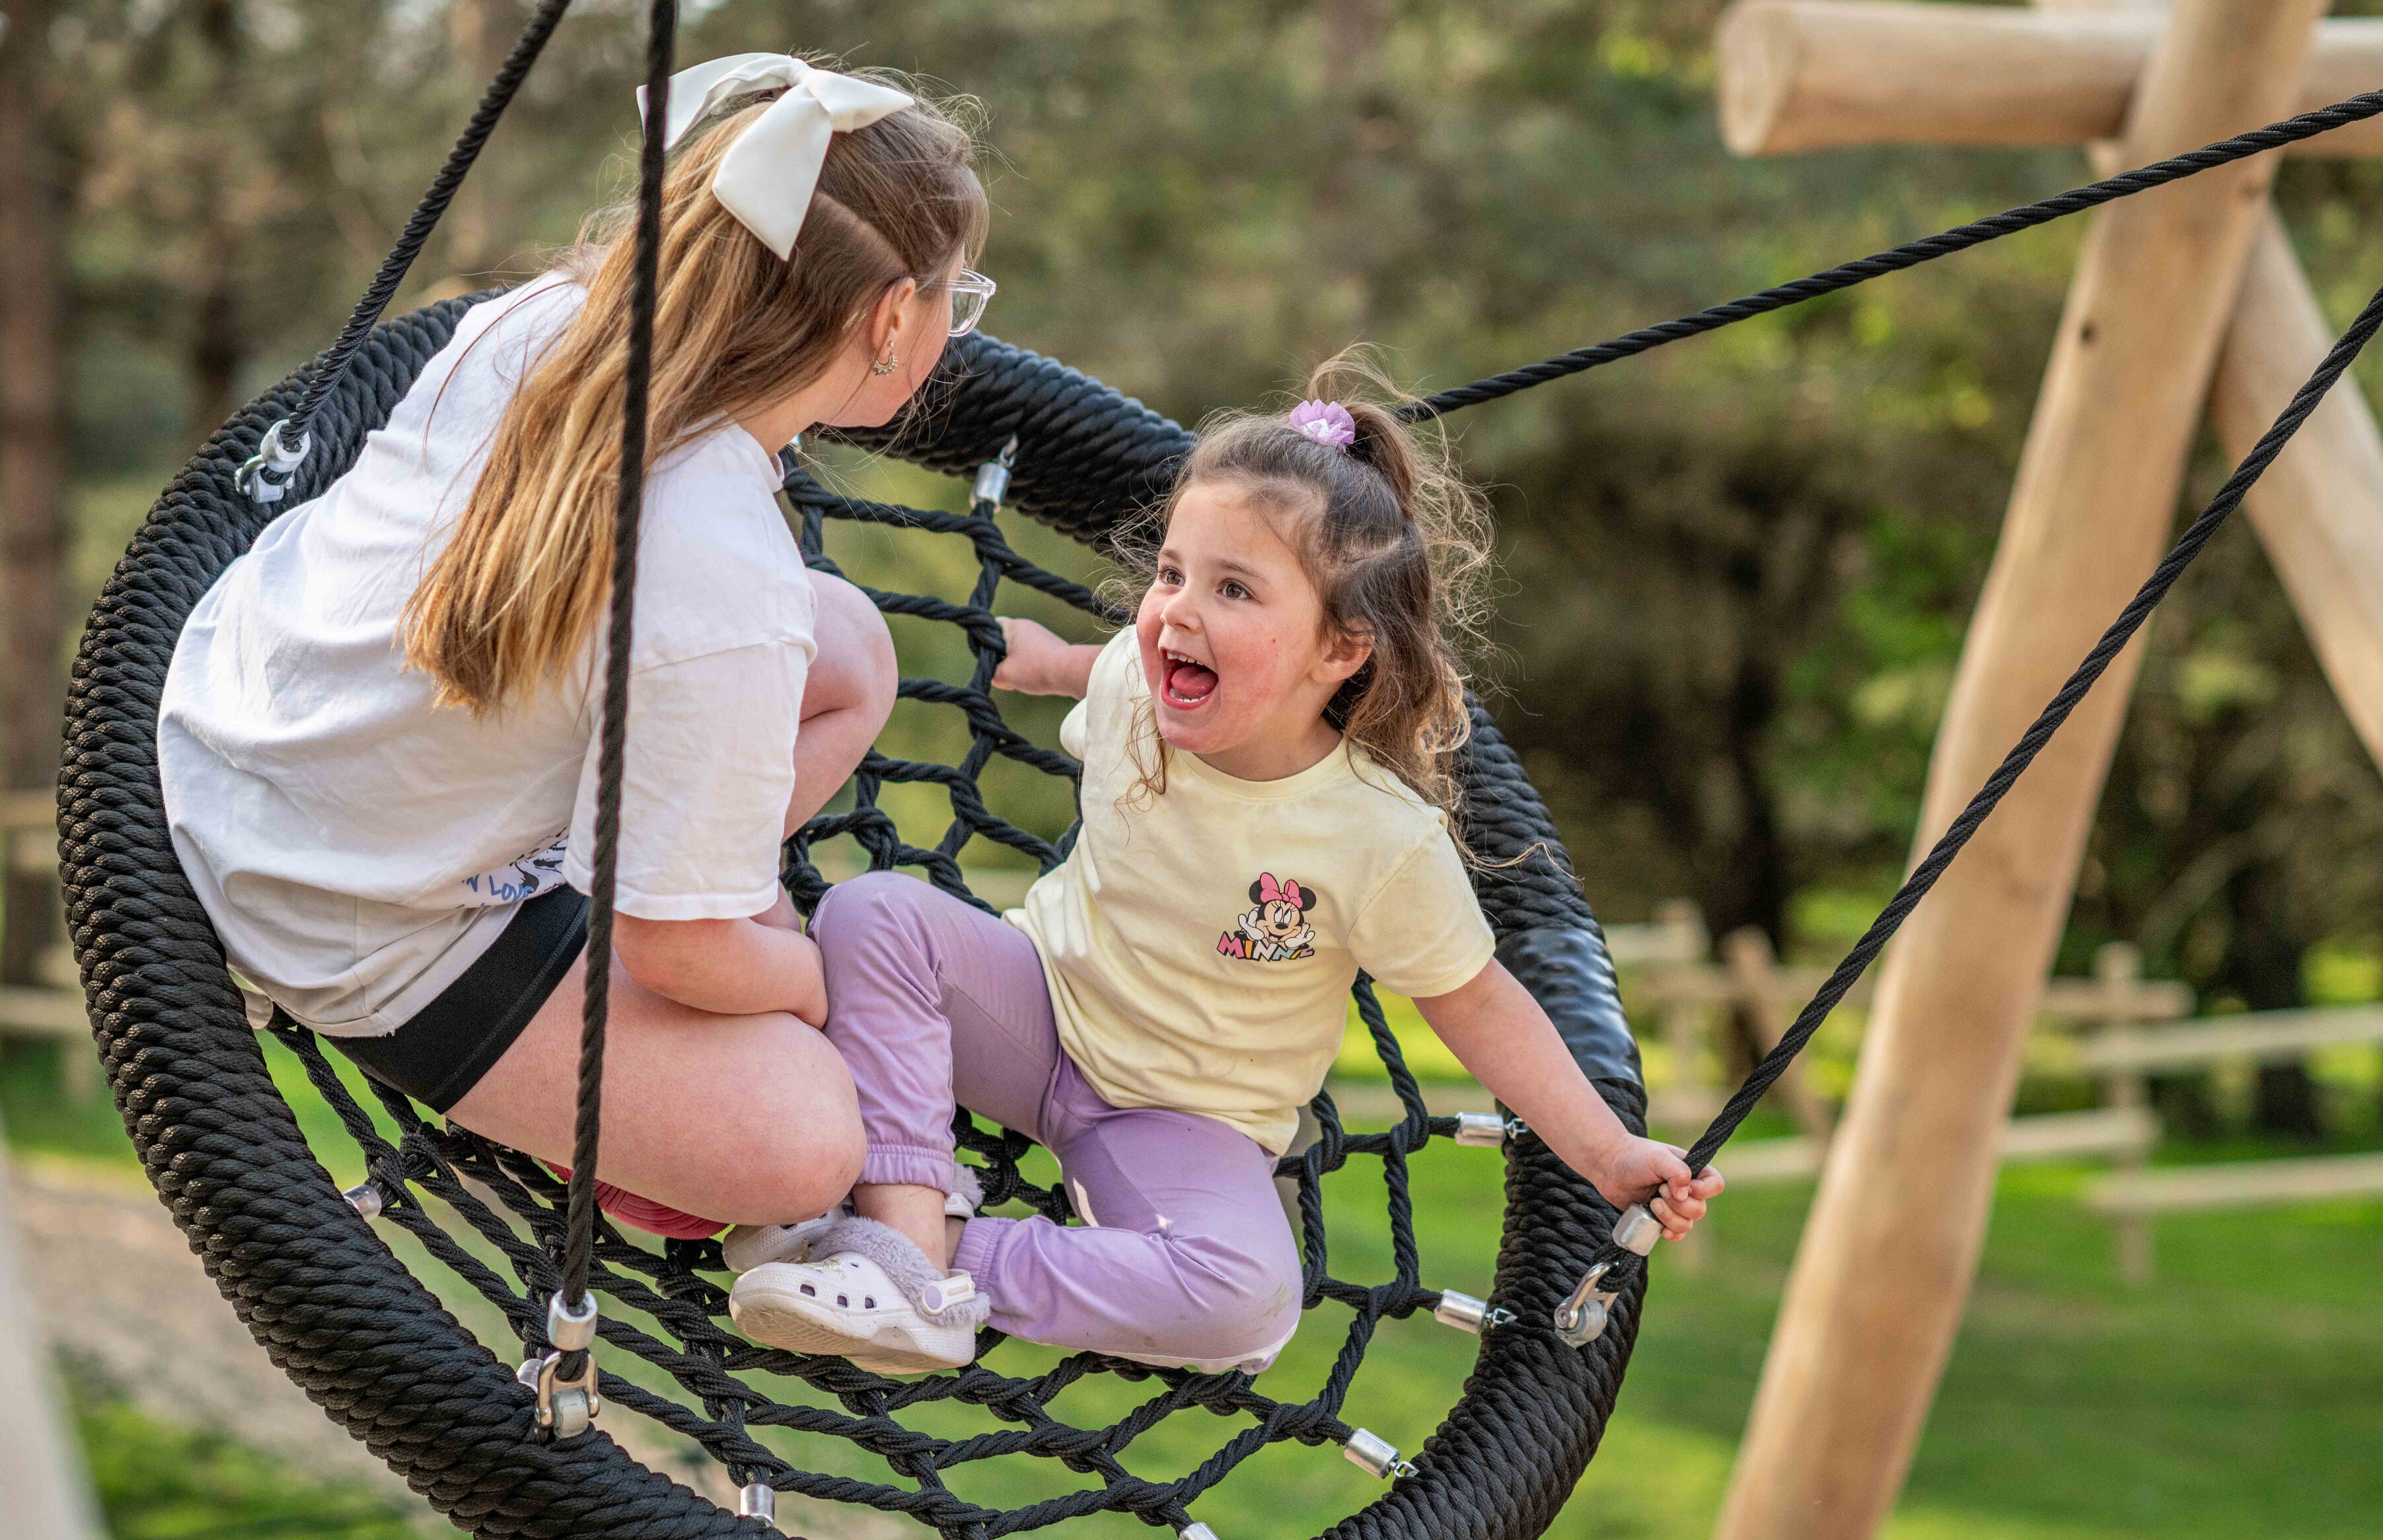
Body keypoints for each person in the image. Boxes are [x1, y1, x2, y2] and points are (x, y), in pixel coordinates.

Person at [722, 361, 1726, 1374]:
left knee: (1245, 1304)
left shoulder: (1374, 835)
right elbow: (1113, 659)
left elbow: (1477, 1002)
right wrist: (1046, 661)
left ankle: (946, 1262)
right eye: (1170, 574)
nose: (1175, 612)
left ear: (1340, 649)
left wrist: (1607, 1154)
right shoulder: (1135, 688)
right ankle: (899, 1244)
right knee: (870, 913)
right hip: (1036, 1009)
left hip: (1185, 1115)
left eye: (1232, 588)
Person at [157, 55, 993, 1231]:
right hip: (348, 910)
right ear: (889, 318)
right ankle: (579, 1084)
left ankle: (630, 919)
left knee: (847, 649)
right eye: (965, 294)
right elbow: (672, 951)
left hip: (253, 716)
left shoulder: (555, 314)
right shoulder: (722, 576)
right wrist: (840, 988)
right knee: (803, 1141)